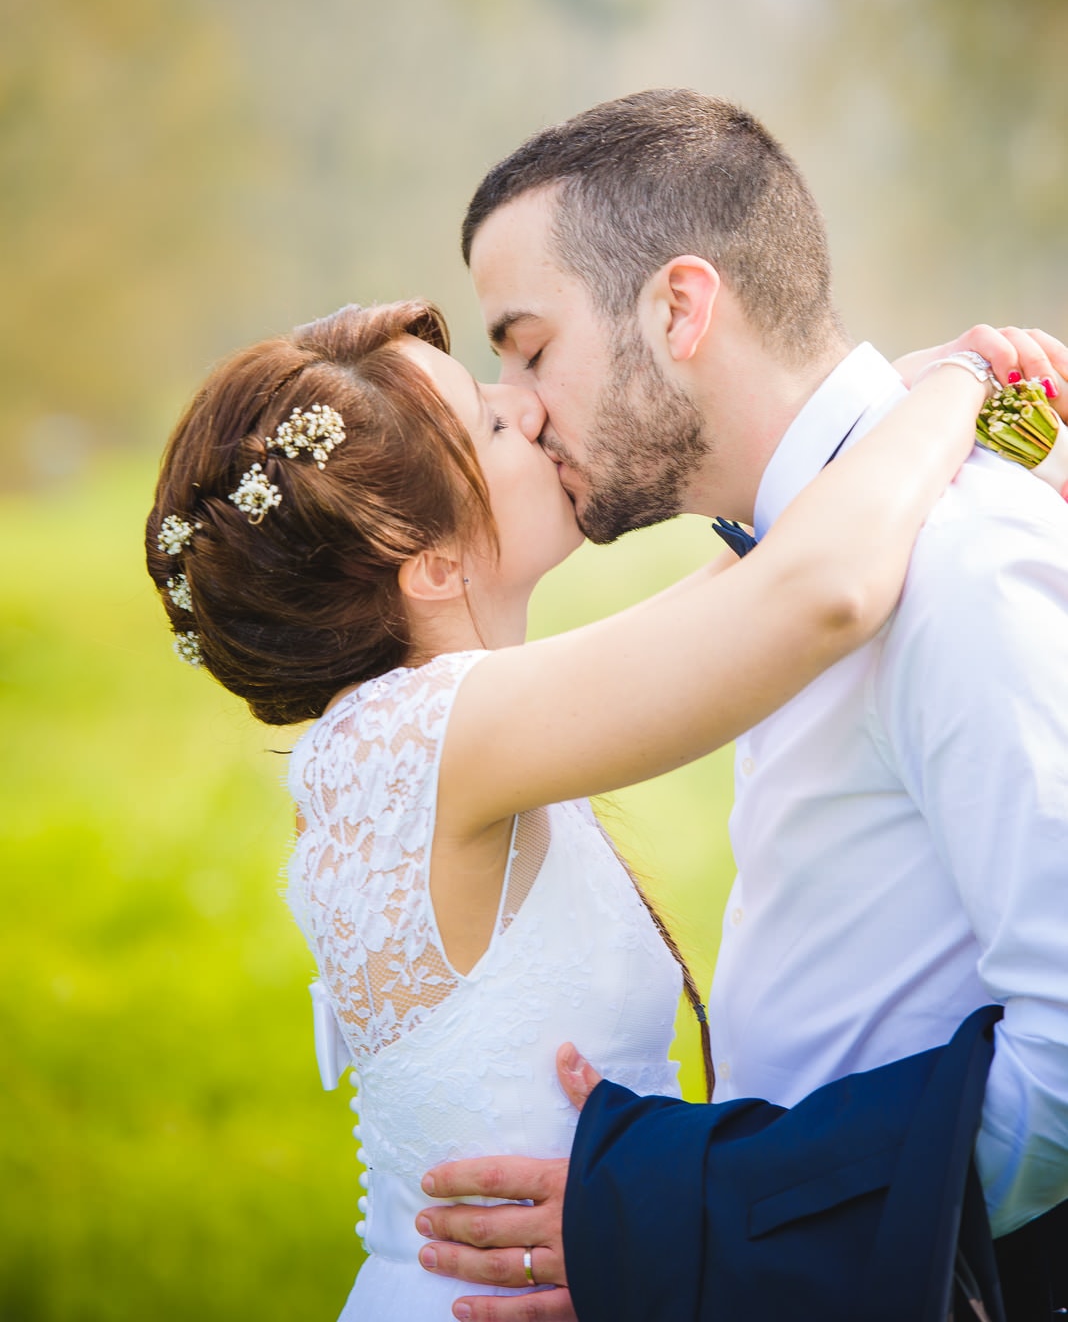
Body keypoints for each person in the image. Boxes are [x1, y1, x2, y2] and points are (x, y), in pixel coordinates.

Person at [146, 297, 1042, 1321]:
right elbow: (818, 588)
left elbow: (748, 578)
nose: (527, 410)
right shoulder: (420, 736)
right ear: (426, 557)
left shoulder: (415, 730)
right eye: (489, 421)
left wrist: (875, 409)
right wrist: (956, 386)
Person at [414, 90, 1068, 1322]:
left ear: (678, 307)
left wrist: (703, 1228)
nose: (518, 405)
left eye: (531, 346)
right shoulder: (795, 559)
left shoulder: (965, 563)